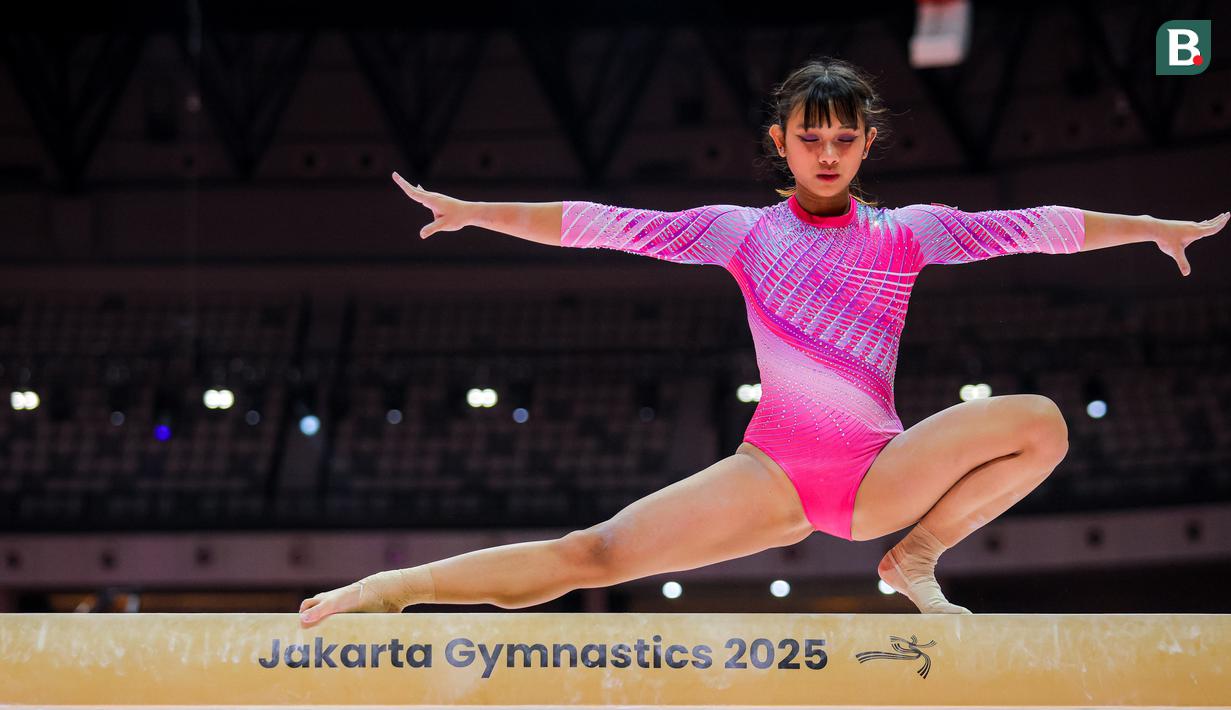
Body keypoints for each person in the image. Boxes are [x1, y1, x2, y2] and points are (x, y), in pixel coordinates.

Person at [298, 57, 1227, 624]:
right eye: (809, 136)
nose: (827, 153)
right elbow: (595, 222)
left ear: (868, 145)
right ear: (779, 141)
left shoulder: (910, 233)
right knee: (592, 555)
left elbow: (1039, 223)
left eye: (844, 138)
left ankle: (913, 556)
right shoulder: (739, 233)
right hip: (772, 472)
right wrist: (476, 214)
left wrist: (1148, 224)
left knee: (1038, 421)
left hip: (875, 474)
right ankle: (390, 587)